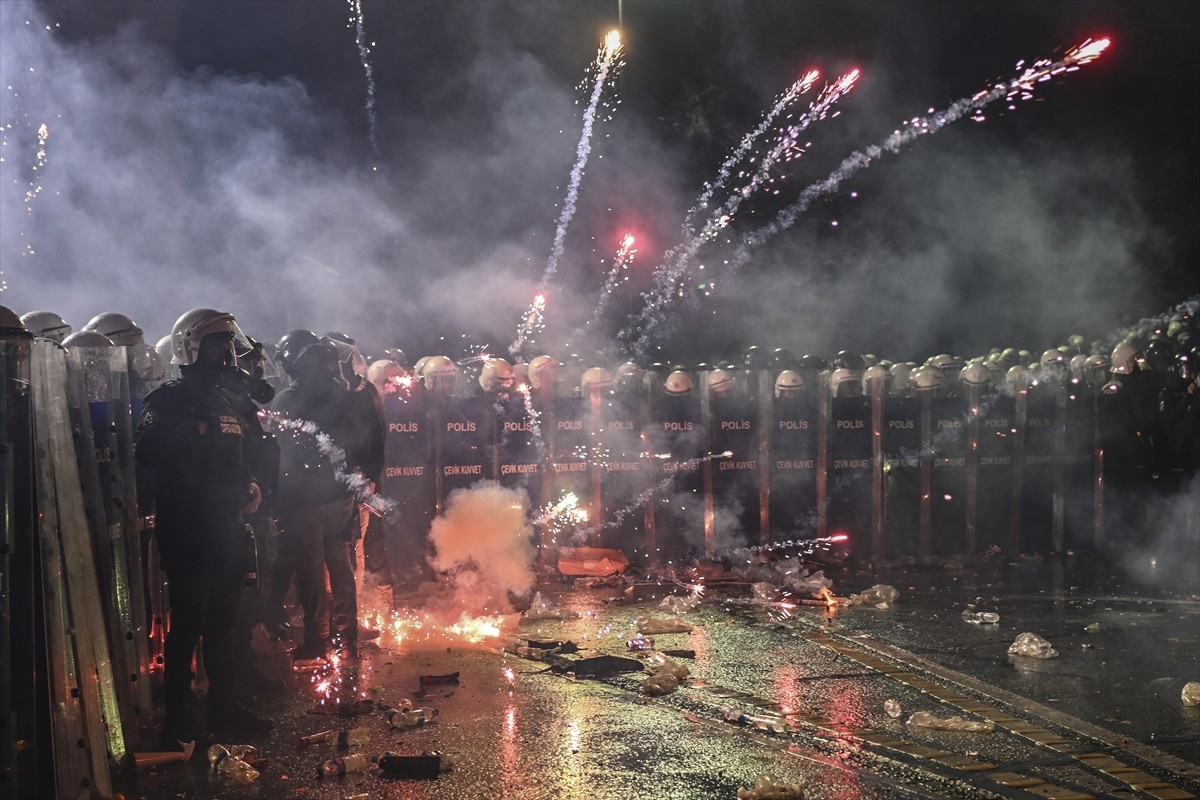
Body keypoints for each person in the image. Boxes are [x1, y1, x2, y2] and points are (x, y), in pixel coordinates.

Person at [134, 308, 273, 747]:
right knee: (189, 622)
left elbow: (239, 456)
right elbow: (147, 457)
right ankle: (178, 718)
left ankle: (224, 710)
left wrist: (250, 483)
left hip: (227, 529)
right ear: (191, 348)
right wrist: (187, 443)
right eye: (217, 346)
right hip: (188, 529)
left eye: (230, 346)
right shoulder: (166, 400)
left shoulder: (229, 401)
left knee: (223, 622)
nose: (226, 355)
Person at [271, 333, 365, 659]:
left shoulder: (287, 399)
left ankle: (317, 640)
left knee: (311, 570)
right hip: (340, 494)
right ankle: (348, 638)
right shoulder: (342, 392)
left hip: (305, 498)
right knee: (340, 566)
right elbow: (357, 437)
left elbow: (280, 449)